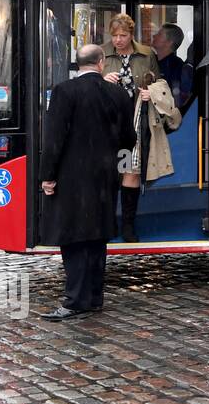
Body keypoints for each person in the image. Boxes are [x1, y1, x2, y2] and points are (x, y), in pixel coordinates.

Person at [38, 45, 136, 320]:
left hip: (72, 177)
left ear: (77, 64)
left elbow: (54, 138)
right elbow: (129, 138)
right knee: (96, 237)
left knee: (74, 238)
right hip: (106, 176)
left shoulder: (64, 91)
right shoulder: (117, 92)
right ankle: (94, 297)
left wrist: (48, 176)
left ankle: (75, 301)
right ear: (101, 63)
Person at [103, 14, 164, 240]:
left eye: (123, 35)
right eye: (115, 35)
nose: (118, 40)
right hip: (108, 122)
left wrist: (152, 93)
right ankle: (109, 222)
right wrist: (103, 80)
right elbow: (86, 81)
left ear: (132, 34)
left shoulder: (146, 54)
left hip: (135, 119)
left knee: (131, 171)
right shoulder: (102, 53)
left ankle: (128, 224)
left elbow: (159, 84)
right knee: (110, 172)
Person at [151, 22, 195, 110]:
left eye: (159, 34)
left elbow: (175, 101)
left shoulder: (177, 67)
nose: (154, 36)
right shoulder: (149, 61)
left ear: (168, 43)